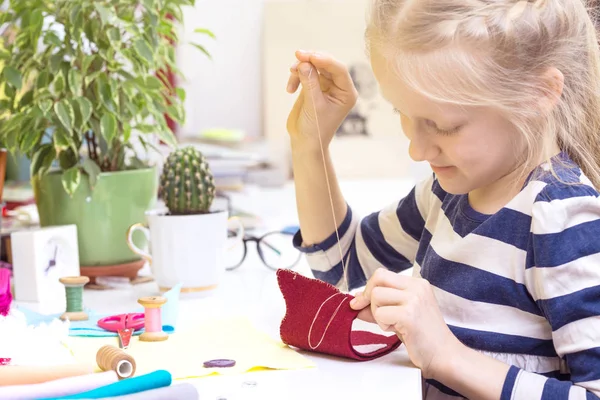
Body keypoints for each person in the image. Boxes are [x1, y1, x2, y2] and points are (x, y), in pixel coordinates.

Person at [284, 0, 600, 399]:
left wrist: (446, 355)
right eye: (403, 113)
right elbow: (342, 268)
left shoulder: (563, 221)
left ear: (539, 93)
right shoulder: (446, 193)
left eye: (443, 126)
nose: (416, 149)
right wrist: (310, 145)